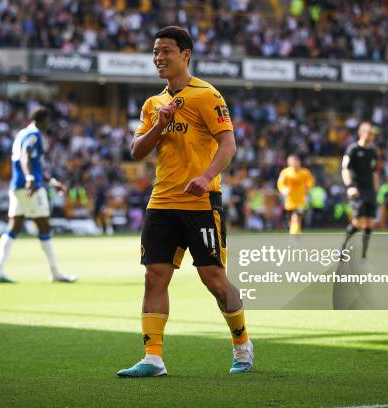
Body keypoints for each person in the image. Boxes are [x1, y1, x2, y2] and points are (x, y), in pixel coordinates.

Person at [116, 26, 252, 377]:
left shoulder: (207, 95)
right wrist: (160, 125)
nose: (159, 57)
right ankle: (153, 358)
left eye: (166, 51)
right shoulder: (153, 104)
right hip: (162, 202)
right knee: (154, 277)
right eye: (155, 52)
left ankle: (242, 345)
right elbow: (137, 151)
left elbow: (228, 145)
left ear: (185, 54)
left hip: (201, 203)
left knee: (214, 280)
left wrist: (206, 177)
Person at [0, 107, 78, 283]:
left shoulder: (21, 134)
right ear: (41, 120)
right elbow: (25, 156)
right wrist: (30, 178)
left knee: (13, 227)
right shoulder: (34, 135)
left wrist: (51, 181)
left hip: (17, 186)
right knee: (44, 228)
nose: (49, 124)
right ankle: (56, 273)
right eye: (48, 121)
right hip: (31, 188)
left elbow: (34, 163)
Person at [341, 122, 379, 261]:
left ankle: (364, 255)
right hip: (357, 189)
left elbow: (374, 173)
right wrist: (350, 186)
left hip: (370, 191)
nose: (372, 136)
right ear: (361, 133)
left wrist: (376, 191)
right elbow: (345, 169)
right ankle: (343, 248)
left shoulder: (373, 151)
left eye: (373, 134)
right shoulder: (353, 149)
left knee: (369, 223)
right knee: (358, 222)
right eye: (369, 133)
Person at [276, 154, 314, 234]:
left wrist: (308, 188)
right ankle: (296, 232)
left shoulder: (304, 172)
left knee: (296, 217)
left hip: (300, 200)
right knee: (291, 219)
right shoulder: (285, 172)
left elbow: (311, 181)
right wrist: (284, 190)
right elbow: (280, 183)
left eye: (295, 160)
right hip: (289, 200)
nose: (294, 162)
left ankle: (294, 235)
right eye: (291, 161)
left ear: (299, 162)